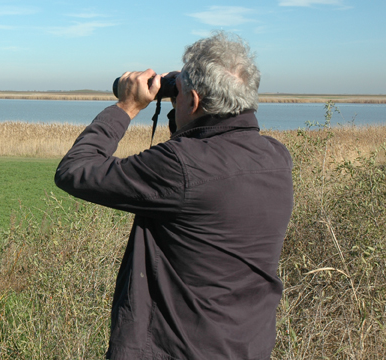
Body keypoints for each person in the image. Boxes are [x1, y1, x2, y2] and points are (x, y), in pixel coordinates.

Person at [54, 32, 294, 359]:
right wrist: (182, 97)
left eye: (179, 95)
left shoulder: (180, 167)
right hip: (246, 346)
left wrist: (126, 106)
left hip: (176, 349)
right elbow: (200, 156)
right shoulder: (275, 159)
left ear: (194, 102)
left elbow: (75, 169)